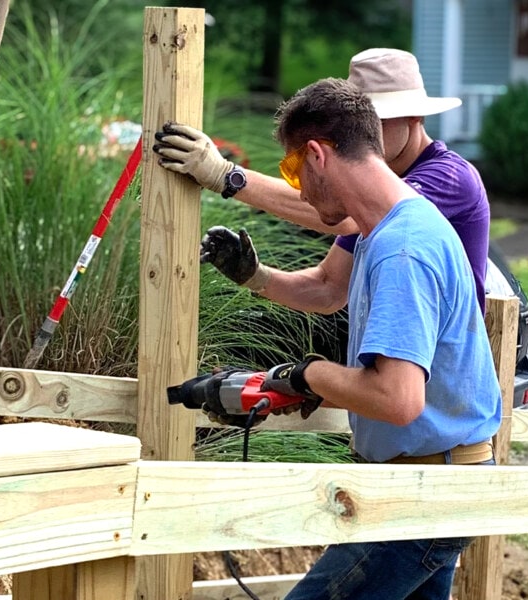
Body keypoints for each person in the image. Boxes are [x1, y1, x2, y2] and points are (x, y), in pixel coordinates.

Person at [201, 77, 501, 600]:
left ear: (317, 154)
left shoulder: (401, 247)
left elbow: (397, 398)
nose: (296, 185)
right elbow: (325, 288)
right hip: (437, 480)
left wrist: (308, 374)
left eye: (292, 169)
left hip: (422, 495)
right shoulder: (383, 229)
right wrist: (255, 276)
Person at [151, 48, 490, 316]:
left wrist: (225, 176)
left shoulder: (450, 178)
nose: (365, 134)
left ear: (416, 117)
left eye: (378, 120)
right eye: (361, 120)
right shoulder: (379, 188)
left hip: (440, 377)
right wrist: (254, 275)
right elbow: (328, 288)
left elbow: (345, 217)